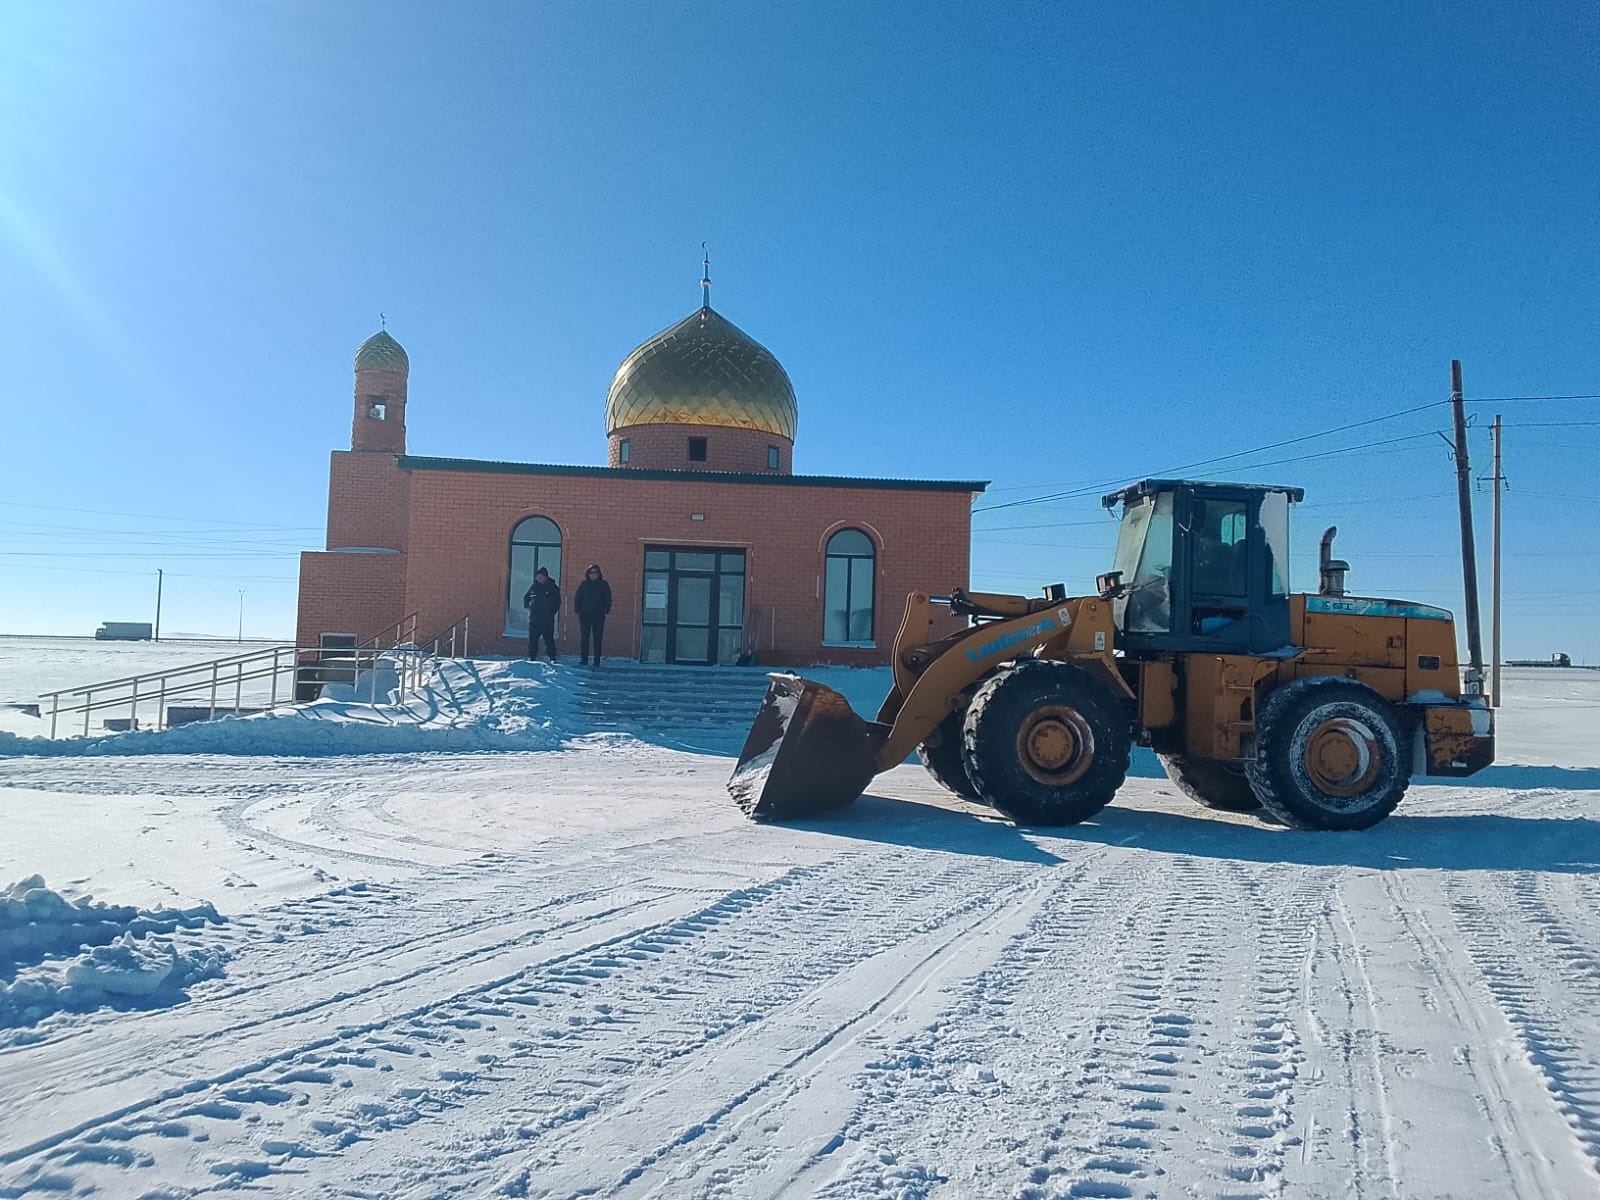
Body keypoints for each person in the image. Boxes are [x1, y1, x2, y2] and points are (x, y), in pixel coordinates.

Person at [573, 563, 612, 665]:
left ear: (599, 574)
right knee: (584, 637)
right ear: (588, 574)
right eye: (591, 572)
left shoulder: (603, 584)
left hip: (599, 615)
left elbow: (608, 599)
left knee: (597, 638)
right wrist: (577, 609)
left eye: (595, 572)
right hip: (585, 615)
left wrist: (606, 611)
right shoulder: (584, 584)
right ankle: (584, 659)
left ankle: (596, 660)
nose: (593, 574)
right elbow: (578, 597)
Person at [522, 567, 560, 661]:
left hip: (547, 619)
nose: (539, 578)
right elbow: (526, 598)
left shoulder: (552, 587)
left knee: (549, 640)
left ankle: (552, 657)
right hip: (534, 619)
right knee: (533, 640)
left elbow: (557, 602)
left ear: (545, 577)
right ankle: (532, 657)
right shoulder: (534, 587)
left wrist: (550, 612)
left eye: (541, 576)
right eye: (538, 576)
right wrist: (528, 606)